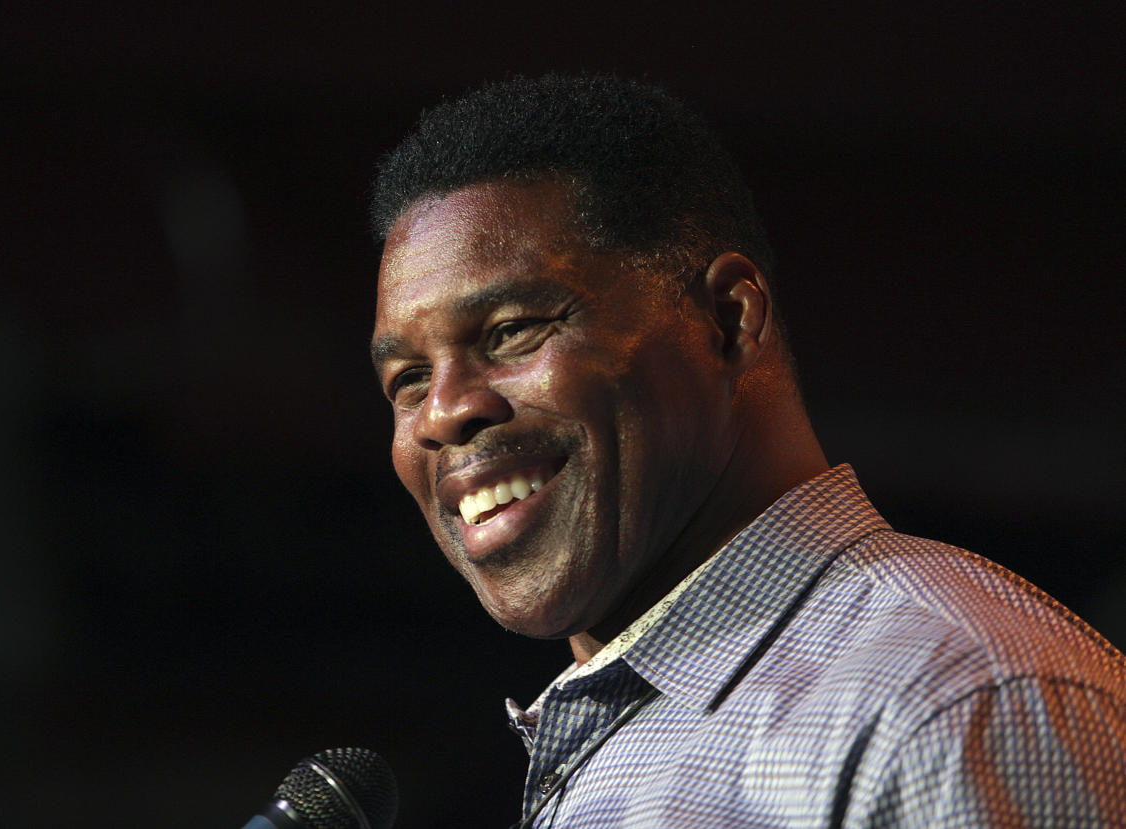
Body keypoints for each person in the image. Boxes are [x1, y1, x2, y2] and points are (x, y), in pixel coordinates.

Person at [368, 74, 1126, 827]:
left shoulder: (949, 706)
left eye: (510, 331)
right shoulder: (617, 740)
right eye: (407, 378)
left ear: (728, 319)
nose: (442, 411)